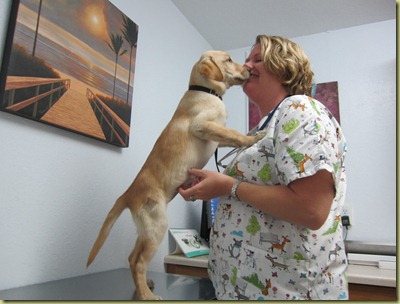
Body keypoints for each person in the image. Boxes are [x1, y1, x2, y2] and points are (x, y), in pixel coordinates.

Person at [178, 35, 348, 300]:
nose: (247, 65)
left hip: (289, 293)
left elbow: (311, 209)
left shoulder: (300, 108)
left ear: (285, 66)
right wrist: (213, 187)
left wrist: (228, 186)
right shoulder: (261, 129)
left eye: (258, 59)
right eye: (246, 59)